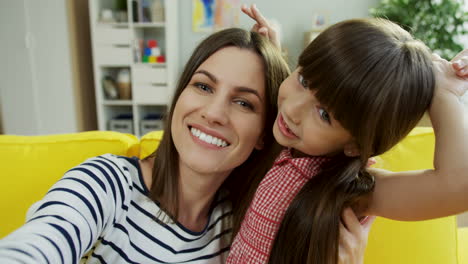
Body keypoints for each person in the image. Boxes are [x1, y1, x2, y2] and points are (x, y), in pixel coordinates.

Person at [0, 28, 291, 263]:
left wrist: (283, 82)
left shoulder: (242, 221)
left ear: (265, 133)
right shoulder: (108, 185)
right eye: (203, 86)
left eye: (244, 102)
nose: (213, 113)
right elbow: (42, 242)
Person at [226, 5, 468, 264]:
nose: (293, 109)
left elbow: (458, 187)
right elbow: (306, 96)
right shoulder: (293, 139)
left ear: (355, 144)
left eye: (324, 115)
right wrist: (271, 55)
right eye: (305, 80)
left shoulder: (351, 190)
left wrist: (444, 95)